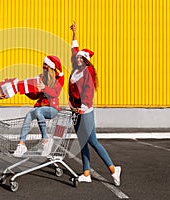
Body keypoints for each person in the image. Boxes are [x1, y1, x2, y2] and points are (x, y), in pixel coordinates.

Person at [68, 22, 121, 186]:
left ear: (85, 60)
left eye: (80, 57)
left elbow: (88, 92)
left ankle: (113, 169)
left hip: (85, 111)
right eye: (77, 57)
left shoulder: (87, 72)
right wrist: (74, 33)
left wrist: (82, 108)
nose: (77, 58)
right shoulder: (76, 69)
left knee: (93, 141)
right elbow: (74, 49)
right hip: (75, 110)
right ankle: (86, 173)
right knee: (83, 141)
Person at [13, 56, 64, 157]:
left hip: (52, 109)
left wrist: (45, 88)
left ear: (51, 67)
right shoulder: (41, 77)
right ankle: (22, 144)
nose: (44, 67)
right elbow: (35, 96)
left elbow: (55, 93)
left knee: (38, 111)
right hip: (40, 108)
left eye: (46, 65)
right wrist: (25, 91)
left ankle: (46, 139)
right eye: (43, 65)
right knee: (29, 115)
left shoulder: (59, 79)